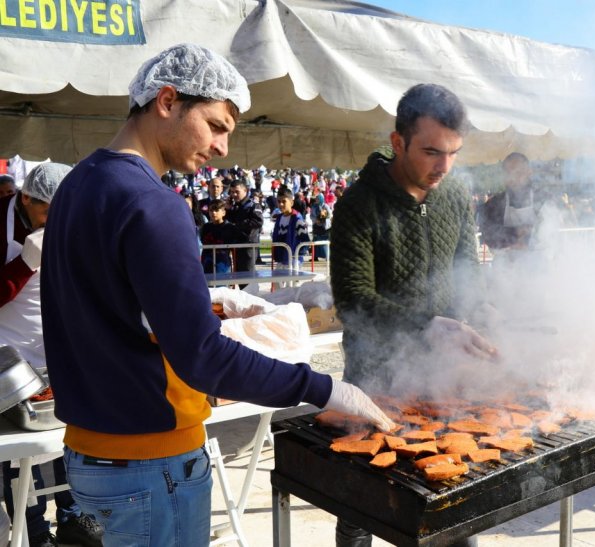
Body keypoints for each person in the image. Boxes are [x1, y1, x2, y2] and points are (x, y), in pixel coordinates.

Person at [39, 43, 393, 547]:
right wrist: (322, 388)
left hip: (88, 457)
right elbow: (201, 357)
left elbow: (110, 307)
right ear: (167, 100)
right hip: (150, 464)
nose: (224, 147)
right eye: (216, 125)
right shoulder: (154, 204)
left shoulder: (77, 184)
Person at [329, 83, 495, 547]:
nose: (443, 166)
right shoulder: (358, 205)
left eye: (454, 153)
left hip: (442, 377)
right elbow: (354, 299)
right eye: (431, 152)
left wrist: (482, 309)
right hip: (375, 375)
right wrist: (426, 326)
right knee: (360, 504)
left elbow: (468, 275)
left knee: (449, 501)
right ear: (398, 142)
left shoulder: (454, 195)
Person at [0, 163, 104, 547]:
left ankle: (73, 517)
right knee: (16, 453)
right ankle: (33, 527)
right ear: (25, 198)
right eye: (47, 212)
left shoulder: (73, 220)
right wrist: (24, 264)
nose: (56, 221)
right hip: (6, 355)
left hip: (58, 344)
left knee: (69, 436)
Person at [479, 152, 547, 251]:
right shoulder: (494, 204)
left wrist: (528, 242)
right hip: (504, 264)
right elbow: (488, 236)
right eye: (509, 173)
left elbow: (552, 235)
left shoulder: (543, 200)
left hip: (538, 261)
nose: (514, 178)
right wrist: (516, 233)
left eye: (518, 173)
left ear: (529, 172)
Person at [226, 178, 263, 272]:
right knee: (240, 276)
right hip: (237, 245)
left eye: (237, 192)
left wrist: (239, 224)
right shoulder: (235, 206)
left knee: (248, 277)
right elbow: (230, 221)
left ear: (245, 191)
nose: (234, 195)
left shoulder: (252, 205)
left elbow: (258, 222)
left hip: (248, 246)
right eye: (232, 192)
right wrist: (228, 209)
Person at [200, 198, 243, 273]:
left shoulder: (230, 228)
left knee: (222, 283)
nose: (213, 213)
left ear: (223, 212)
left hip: (222, 263)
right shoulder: (205, 227)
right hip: (207, 262)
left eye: (216, 210)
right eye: (211, 210)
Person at [271, 188, 310, 267]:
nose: (281, 204)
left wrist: (297, 256)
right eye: (279, 202)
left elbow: (305, 241)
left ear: (291, 203)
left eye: (284, 201)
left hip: (294, 261)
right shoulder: (279, 218)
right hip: (281, 260)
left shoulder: (297, 219)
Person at [310, 192, 332, 260]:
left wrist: (324, 218)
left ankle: (327, 256)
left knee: (324, 242)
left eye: (318, 199)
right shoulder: (314, 206)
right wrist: (315, 220)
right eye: (316, 199)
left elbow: (330, 215)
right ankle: (315, 257)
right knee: (315, 241)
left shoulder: (325, 206)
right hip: (316, 226)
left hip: (324, 227)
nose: (316, 200)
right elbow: (311, 216)